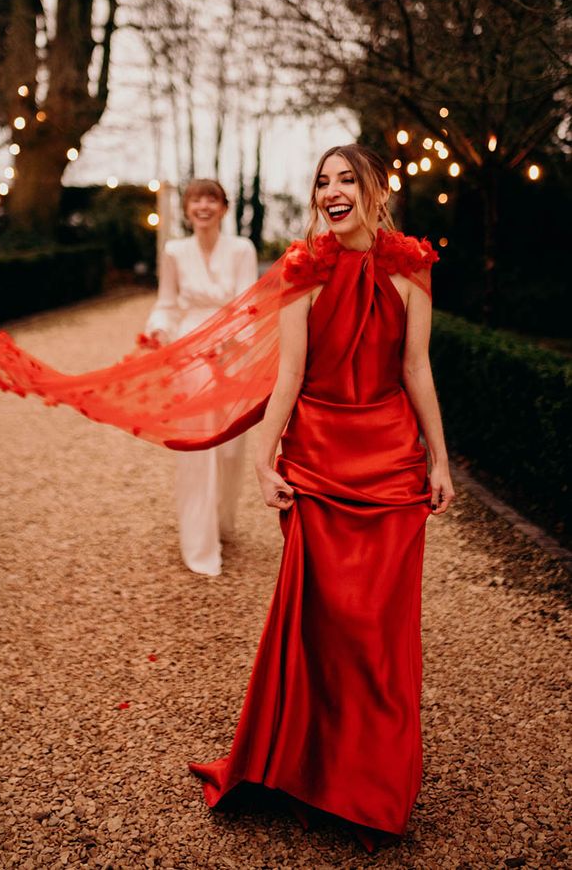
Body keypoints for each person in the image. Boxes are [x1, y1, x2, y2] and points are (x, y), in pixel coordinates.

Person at [189, 144, 455, 850]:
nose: (332, 191)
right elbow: (290, 375)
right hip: (319, 464)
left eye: (346, 179)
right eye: (322, 181)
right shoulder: (303, 271)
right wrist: (263, 456)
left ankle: (372, 788)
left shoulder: (411, 266)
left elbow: (417, 368)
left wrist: (440, 462)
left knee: (380, 634)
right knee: (323, 625)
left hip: (394, 467)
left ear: (375, 189)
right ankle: (311, 770)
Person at [144, 179, 258, 576]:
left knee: (230, 450)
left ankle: (222, 521)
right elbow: (166, 303)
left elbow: (247, 305)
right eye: (196, 199)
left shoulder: (242, 249)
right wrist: (158, 328)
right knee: (196, 450)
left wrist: (232, 341)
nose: (203, 206)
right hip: (190, 355)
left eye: (211, 199)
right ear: (188, 208)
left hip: (233, 354)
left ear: (224, 207)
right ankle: (198, 544)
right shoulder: (174, 251)